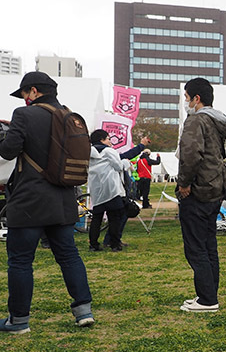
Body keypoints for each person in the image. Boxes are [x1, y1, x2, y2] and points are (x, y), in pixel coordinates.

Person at [0, 71, 94, 333]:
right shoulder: (69, 115)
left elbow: (8, 151)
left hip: (30, 199)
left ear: (33, 91)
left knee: (20, 261)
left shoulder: (24, 114)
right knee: (68, 255)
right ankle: (83, 310)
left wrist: (7, 134)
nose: (23, 99)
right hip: (63, 197)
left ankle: (18, 321)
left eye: (23, 94)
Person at [176, 78, 226, 312]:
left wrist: (184, 184)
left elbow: (190, 155)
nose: (186, 102)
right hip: (214, 189)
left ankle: (207, 299)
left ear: (197, 98)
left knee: (196, 246)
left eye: (187, 97)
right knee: (208, 245)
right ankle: (207, 295)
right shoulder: (217, 122)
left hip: (197, 190)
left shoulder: (196, 121)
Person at [88, 129, 130, 252]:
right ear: (102, 140)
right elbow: (118, 166)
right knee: (115, 218)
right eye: (108, 139)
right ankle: (115, 244)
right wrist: (126, 163)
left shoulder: (88, 152)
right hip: (111, 189)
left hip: (96, 189)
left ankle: (94, 244)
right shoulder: (109, 151)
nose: (110, 141)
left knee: (96, 218)